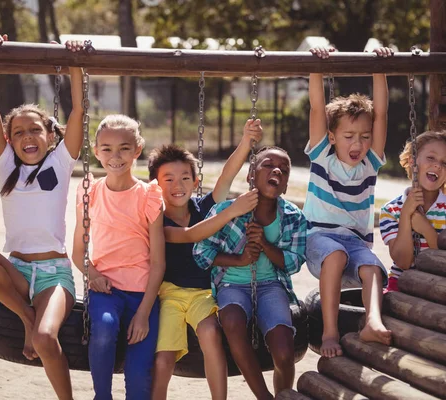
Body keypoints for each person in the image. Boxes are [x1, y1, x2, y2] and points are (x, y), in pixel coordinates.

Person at [0, 33, 85, 399]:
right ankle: (25, 317)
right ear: (9, 138)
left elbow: (79, 111)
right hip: (18, 273)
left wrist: (76, 62)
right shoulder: (5, 166)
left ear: (51, 135)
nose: (27, 136)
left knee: (47, 338)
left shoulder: (61, 162)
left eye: (36, 129)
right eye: (18, 132)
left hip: (53, 275)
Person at [148, 119, 262, 400]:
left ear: (195, 182)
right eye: (169, 179)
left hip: (203, 293)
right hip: (170, 295)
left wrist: (246, 141)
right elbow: (188, 236)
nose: (178, 185)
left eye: (185, 178)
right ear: (155, 185)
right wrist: (231, 211)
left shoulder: (204, 208)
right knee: (164, 359)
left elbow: (227, 175)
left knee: (211, 333)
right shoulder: (157, 221)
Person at [194, 146, 307, 400]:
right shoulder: (228, 210)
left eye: (284, 169)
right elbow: (201, 253)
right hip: (231, 285)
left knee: (284, 352)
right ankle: (263, 396)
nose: (276, 170)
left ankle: (283, 395)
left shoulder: (293, 217)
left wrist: (265, 245)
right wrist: (240, 259)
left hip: (271, 285)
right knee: (232, 322)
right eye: (267, 164)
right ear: (250, 175)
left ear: (286, 184)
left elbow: (294, 262)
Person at [303, 45, 393, 358]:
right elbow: (317, 109)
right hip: (320, 240)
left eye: (365, 136)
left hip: (355, 245)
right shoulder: (322, 157)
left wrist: (379, 68)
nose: (358, 143)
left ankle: (372, 322)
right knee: (335, 254)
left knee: (373, 267)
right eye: (349, 135)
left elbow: (380, 113)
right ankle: (330, 332)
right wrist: (316, 66)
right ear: (332, 137)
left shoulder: (370, 162)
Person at [72, 114, 165, 400]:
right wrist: (93, 276)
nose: (115, 156)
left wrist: (143, 314)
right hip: (106, 291)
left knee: (138, 383)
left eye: (124, 148)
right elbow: (78, 252)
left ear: (137, 150)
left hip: (143, 295)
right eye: (107, 148)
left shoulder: (149, 195)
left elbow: (159, 264)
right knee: (105, 328)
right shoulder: (90, 191)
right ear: (96, 151)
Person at [380, 130, 446, 292]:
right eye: (431, 158)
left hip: (438, 286)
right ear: (412, 161)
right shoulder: (391, 210)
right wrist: (405, 215)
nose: (437, 165)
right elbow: (403, 262)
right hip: (400, 283)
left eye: (445, 163)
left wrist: (426, 229)